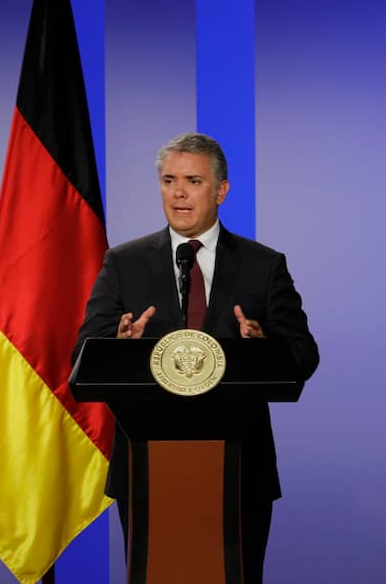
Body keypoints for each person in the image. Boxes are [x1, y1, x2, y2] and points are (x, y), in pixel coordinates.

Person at [73, 132, 318, 583]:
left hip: (240, 468)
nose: (178, 193)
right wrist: (119, 347)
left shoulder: (263, 265)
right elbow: (84, 355)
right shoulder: (123, 263)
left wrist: (263, 348)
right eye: (169, 181)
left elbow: (303, 355)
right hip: (148, 469)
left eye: (192, 180)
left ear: (221, 190)